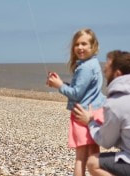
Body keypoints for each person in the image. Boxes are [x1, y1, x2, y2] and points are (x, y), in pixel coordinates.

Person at [47, 29, 106, 176]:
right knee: (93, 154)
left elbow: (76, 94)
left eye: (84, 44)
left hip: (82, 114)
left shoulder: (85, 67)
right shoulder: (93, 63)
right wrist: (62, 83)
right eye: (77, 44)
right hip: (94, 112)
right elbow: (82, 89)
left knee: (80, 158)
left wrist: (59, 85)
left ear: (93, 47)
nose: (80, 47)